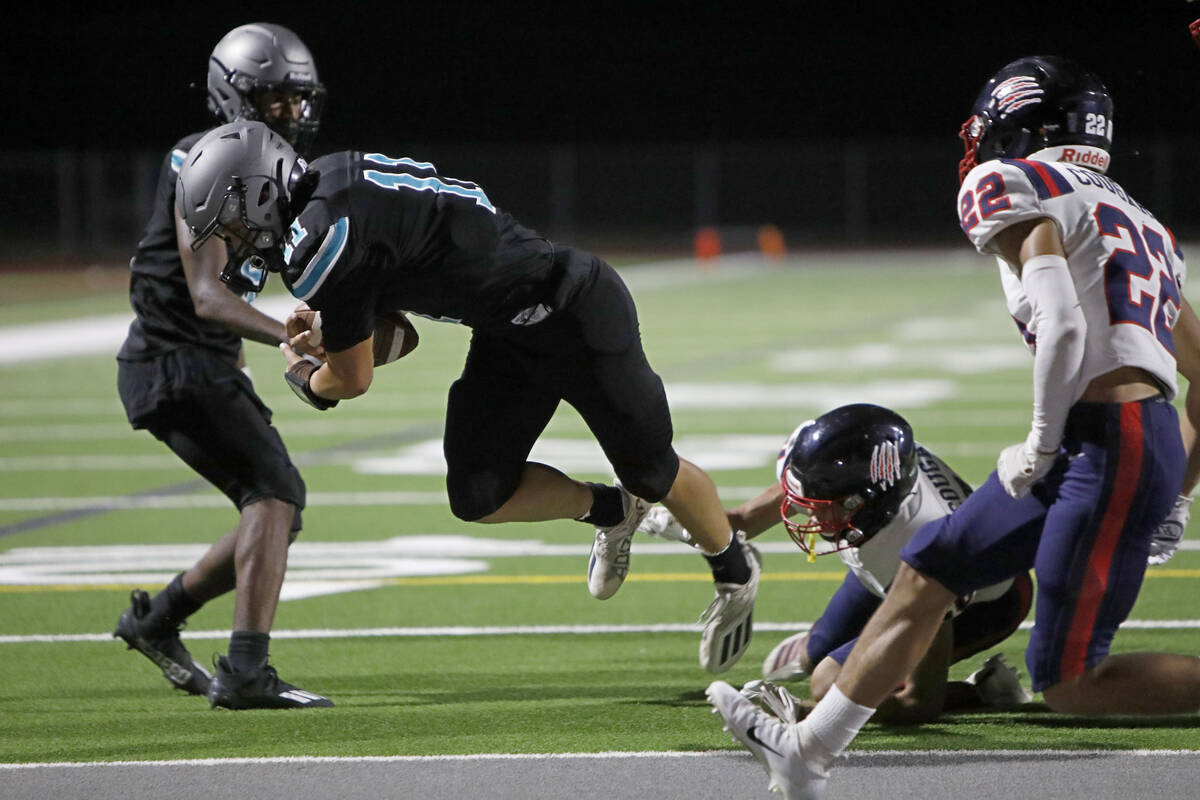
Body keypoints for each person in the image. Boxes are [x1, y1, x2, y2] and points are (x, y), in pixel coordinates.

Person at [706, 55, 1200, 799]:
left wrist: (1040, 438)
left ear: (1020, 125)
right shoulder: (1144, 222)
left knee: (1066, 678)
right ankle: (807, 754)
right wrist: (1177, 490)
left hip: (1104, 441)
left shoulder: (1011, 182)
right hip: (1122, 437)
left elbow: (1063, 323)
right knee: (930, 567)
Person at [172, 119, 761, 674]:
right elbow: (402, 323)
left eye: (233, 223)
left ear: (259, 193)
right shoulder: (331, 178)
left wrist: (304, 377)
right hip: (507, 332)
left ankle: (734, 572)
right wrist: (341, 323)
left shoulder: (322, 242)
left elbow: (352, 378)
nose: (237, 241)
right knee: (479, 493)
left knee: (653, 470)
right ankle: (614, 510)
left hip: (576, 312)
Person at [113, 23, 332, 710]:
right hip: (172, 359)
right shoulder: (203, 156)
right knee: (276, 494)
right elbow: (208, 294)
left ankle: (158, 621)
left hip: (199, 359)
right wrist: (286, 340)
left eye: (297, 100)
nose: (291, 114)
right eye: (274, 100)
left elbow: (235, 284)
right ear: (234, 97)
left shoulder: (270, 163)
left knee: (273, 508)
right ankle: (244, 672)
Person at [641, 403, 1033, 724]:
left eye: (819, 507)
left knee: (830, 683)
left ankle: (983, 689)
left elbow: (920, 701)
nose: (806, 518)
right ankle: (828, 655)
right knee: (814, 655)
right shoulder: (872, 479)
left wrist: (806, 715)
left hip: (980, 603)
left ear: (864, 502)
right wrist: (679, 520)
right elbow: (743, 520)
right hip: (887, 571)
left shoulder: (924, 545)